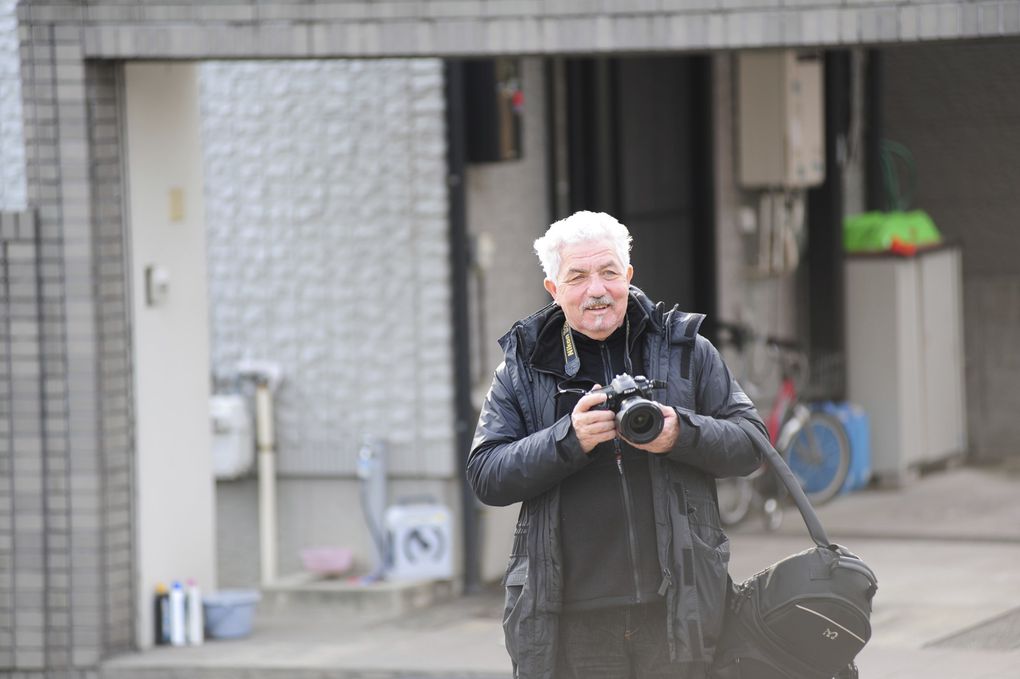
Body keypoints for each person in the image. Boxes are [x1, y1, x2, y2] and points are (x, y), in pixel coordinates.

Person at [467, 210, 771, 679]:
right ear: (553, 289)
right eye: (578, 276)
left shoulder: (685, 349)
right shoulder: (523, 368)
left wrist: (679, 433)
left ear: (628, 277)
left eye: (609, 272)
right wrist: (567, 439)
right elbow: (486, 474)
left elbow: (753, 444)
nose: (597, 289)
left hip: (678, 610)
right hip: (570, 622)